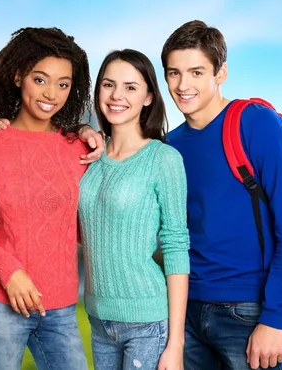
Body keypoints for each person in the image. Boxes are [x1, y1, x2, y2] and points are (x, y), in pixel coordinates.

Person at [161, 20, 282, 370]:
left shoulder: (256, 123)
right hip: (184, 312)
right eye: (174, 73)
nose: (183, 85)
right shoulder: (171, 146)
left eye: (196, 72)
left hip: (246, 312)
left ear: (221, 73)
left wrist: (275, 318)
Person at [0, 27, 93, 370]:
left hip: (61, 308)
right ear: (18, 76)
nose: (52, 93)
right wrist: (9, 270)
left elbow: (82, 226)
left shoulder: (78, 148)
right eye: (41, 79)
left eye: (63, 84)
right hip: (0, 306)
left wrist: (95, 135)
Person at [78, 49, 190, 370]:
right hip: (99, 317)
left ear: (148, 97)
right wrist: (84, 130)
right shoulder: (88, 154)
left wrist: (176, 344)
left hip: (147, 321)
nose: (116, 95)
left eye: (130, 87)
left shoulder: (163, 159)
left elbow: (176, 246)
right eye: (108, 84)